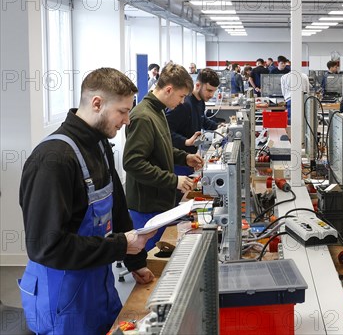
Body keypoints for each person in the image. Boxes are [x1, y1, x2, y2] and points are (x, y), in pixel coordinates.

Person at [19, 68, 156, 334]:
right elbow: (46, 247)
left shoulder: (100, 145)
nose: (128, 120)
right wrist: (119, 246)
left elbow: (117, 208)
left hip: (98, 289)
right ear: (97, 103)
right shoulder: (52, 160)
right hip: (62, 301)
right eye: (123, 111)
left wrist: (135, 261)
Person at [124, 63, 204, 251]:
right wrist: (173, 180)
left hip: (159, 201)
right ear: (169, 90)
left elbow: (161, 148)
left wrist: (185, 158)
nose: (183, 102)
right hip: (147, 205)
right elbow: (133, 163)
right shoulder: (143, 117)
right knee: (150, 263)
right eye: (181, 96)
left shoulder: (158, 111)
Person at [166, 67, 220, 157]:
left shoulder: (200, 101)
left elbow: (201, 118)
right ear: (198, 85)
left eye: (214, 91)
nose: (211, 95)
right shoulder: (183, 104)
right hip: (179, 158)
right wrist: (185, 142)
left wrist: (217, 126)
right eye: (209, 90)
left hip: (191, 156)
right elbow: (165, 131)